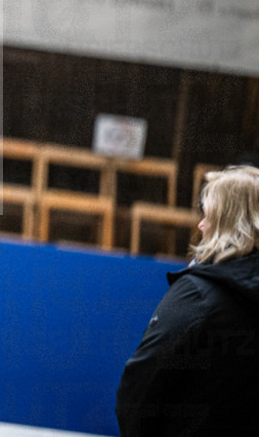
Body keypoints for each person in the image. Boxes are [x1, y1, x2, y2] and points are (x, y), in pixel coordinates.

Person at [115, 165, 259, 435]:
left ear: (229, 224)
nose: (200, 224)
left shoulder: (198, 295)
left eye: (209, 215)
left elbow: (140, 393)